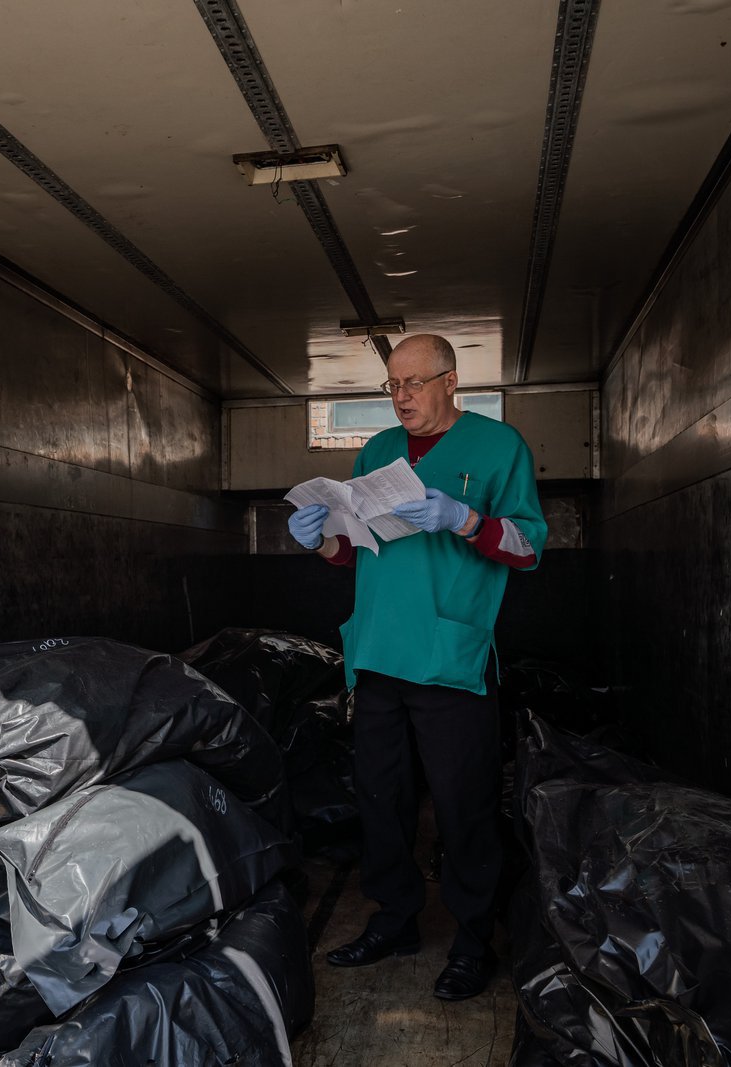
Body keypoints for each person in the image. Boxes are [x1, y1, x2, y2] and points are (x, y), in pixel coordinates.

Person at [287, 333, 546, 1000]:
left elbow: (528, 547)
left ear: (451, 381)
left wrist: (465, 519)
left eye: (414, 382)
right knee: (380, 798)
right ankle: (395, 919)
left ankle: (471, 937)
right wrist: (320, 538)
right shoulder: (376, 453)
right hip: (377, 653)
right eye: (392, 384)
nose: (401, 395)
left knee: (463, 806)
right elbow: (355, 552)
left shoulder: (498, 448)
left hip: (449, 658)